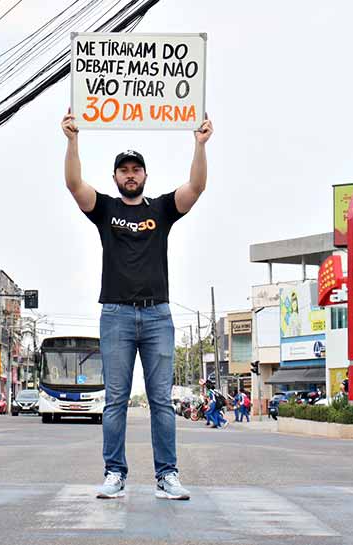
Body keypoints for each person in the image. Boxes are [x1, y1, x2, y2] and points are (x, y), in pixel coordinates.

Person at [62, 108, 214, 501]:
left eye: (136, 169)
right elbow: (74, 184)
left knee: (161, 400)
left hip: (157, 316)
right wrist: (72, 140)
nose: (130, 175)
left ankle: (167, 475)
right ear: (116, 177)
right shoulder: (106, 210)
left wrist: (199, 146)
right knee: (115, 400)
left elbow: (195, 188)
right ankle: (114, 473)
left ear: (145, 175)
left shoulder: (161, 210)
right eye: (124, 170)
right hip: (115, 315)